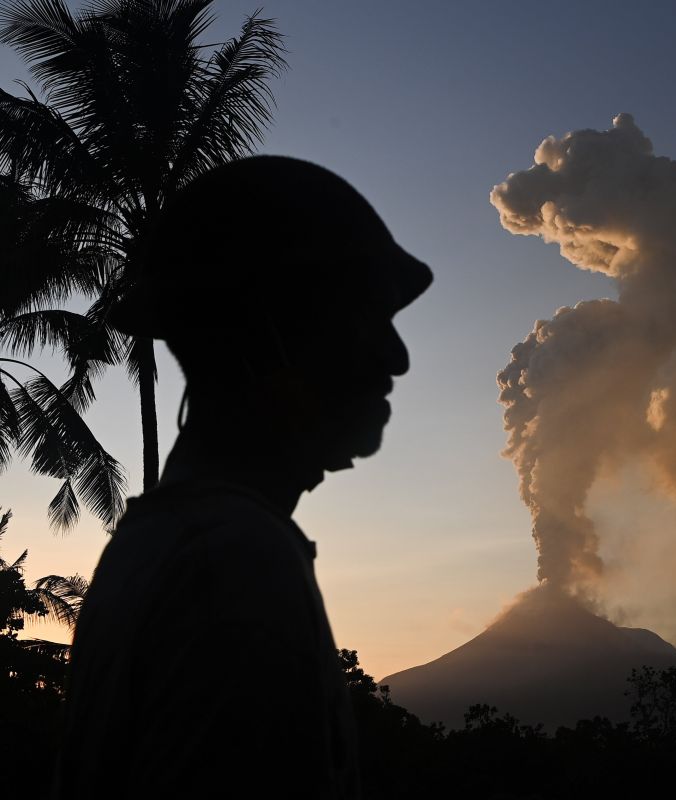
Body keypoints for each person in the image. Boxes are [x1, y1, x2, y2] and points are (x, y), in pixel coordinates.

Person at [54, 156, 432, 798]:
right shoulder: (234, 566)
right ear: (268, 336)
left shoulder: (157, 547)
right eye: (365, 318)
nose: (396, 357)